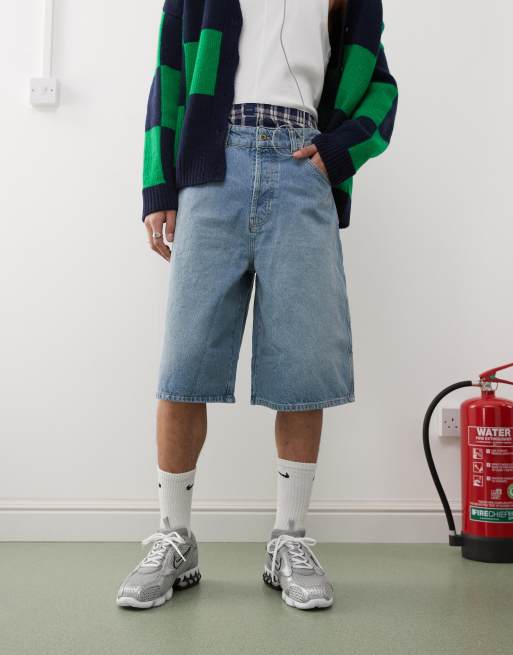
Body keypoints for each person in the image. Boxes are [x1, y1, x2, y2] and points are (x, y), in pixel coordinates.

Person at [117, 0, 397, 611]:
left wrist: (338, 150)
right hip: (210, 165)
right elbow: (168, 74)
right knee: (185, 360)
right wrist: (158, 186)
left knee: (303, 363)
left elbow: (381, 90)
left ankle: (288, 540)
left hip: (303, 167)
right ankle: (174, 538)